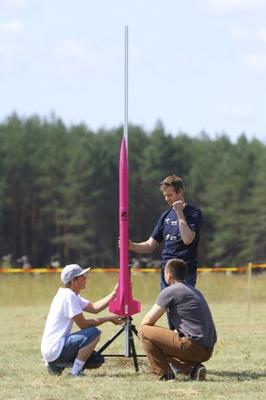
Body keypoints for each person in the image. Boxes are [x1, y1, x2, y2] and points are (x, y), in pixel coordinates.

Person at [139, 258, 217, 381]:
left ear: (169, 276)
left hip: (193, 346)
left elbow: (146, 322)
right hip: (208, 349)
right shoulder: (194, 290)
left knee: (144, 331)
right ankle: (193, 370)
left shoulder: (170, 291)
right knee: (162, 345)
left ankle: (165, 375)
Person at [41, 263, 123, 377]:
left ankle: (57, 365)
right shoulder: (69, 296)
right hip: (55, 349)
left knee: (96, 360)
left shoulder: (69, 294)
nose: (85, 278)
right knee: (94, 333)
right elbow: (84, 325)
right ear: (73, 281)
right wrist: (109, 318)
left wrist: (115, 294)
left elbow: (94, 308)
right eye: (82, 276)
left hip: (52, 350)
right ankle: (76, 372)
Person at [129, 175, 203, 289]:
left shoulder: (194, 213)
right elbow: (149, 245)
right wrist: (131, 245)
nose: (167, 199)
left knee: (182, 306)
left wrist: (179, 212)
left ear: (180, 192)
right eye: (165, 196)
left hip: (185, 273)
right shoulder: (165, 216)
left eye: (170, 195)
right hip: (167, 272)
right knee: (166, 305)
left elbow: (188, 239)